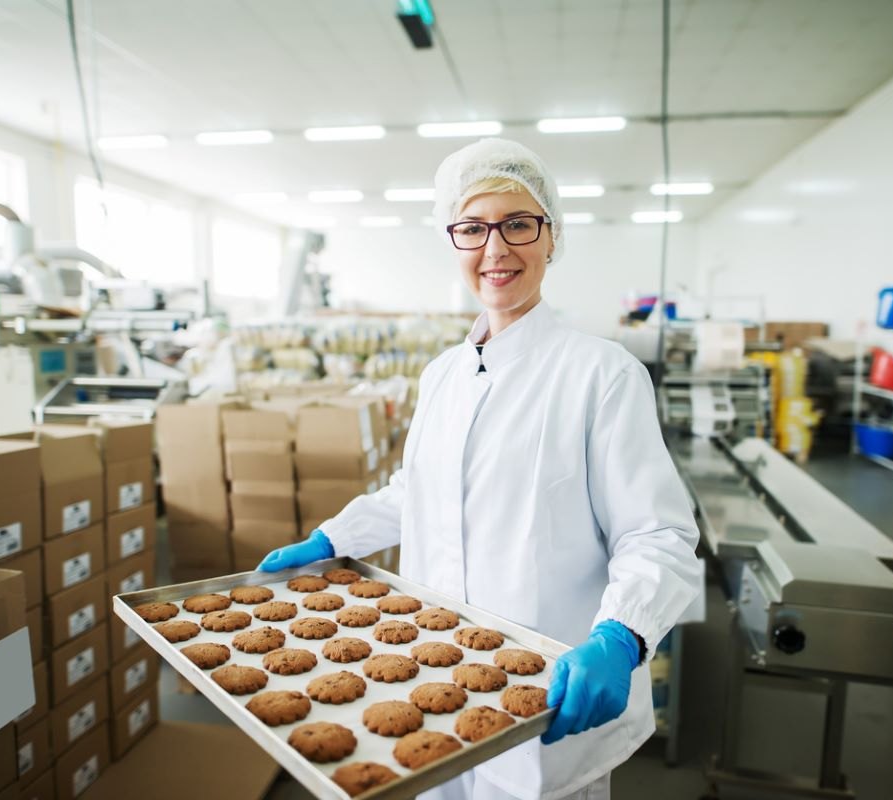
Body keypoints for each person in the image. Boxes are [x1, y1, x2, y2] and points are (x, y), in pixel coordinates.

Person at [259, 139, 702, 800]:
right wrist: (335, 539)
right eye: (472, 228)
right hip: (431, 690)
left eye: (518, 224)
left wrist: (621, 635)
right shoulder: (442, 375)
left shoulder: (603, 374)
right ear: (454, 241)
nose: (495, 249)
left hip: (549, 703)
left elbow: (658, 534)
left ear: (551, 237)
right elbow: (420, 489)